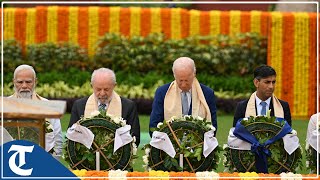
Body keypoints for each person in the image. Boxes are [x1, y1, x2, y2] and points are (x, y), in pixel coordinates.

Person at [69, 68, 140, 146]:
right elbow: (71, 135)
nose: (102, 93)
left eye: (106, 89)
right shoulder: (79, 105)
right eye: (98, 89)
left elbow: (135, 138)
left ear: (114, 86)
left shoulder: (128, 106)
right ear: (92, 86)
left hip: (117, 156)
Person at [149, 57, 217, 136]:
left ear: (194, 74)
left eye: (187, 80)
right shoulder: (162, 92)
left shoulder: (207, 93)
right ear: (174, 75)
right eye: (180, 80)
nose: (184, 85)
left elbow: (212, 127)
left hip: (199, 144)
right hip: (169, 144)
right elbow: (154, 126)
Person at [9, 64, 63, 158]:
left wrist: (51, 165)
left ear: (35, 81)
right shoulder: (3, 107)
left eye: (28, 82)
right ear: (14, 82)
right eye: (20, 82)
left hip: (42, 164)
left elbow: (57, 141)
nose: (24, 86)